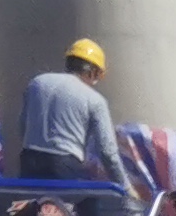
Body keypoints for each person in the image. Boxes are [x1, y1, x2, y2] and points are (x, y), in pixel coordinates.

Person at [15, 37, 127, 187]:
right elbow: (108, 152)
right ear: (93, 72)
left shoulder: (37, 83)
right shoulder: (94, 99)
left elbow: (23, 125)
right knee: (87, 200)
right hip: (65, 164)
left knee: (31, 200)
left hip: (29, 159)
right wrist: (125, 187)